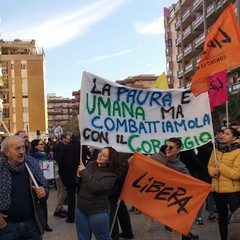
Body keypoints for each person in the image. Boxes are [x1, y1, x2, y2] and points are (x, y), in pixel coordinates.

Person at [144, 137, 198, 240]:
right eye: (166, 146)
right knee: (148, 226)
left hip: (170, 200)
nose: (167, 149)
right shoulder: (155, 158)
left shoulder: (180, 167)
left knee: (176, 226)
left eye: (171, 147)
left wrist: (207, 188)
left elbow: (192, 182)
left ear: (178, 150)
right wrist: (131, 162)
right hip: (151, 197)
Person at [0, 135, 48, 240]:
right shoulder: (1, 168)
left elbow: (44, 187)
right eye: (17, 148)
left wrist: (43, 191)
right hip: (7, 227)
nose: (22, 152)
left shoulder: (31, 165)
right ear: (6, 153)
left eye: (23, 147)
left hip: (32, 224)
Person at [75, 146, 120, 240]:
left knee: (103, 238)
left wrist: (83, 172)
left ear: (109, 161)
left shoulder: (111, 175)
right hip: (81, 208)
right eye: (100, 152)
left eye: (104, 155)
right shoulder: (91, 164)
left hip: (97, 212)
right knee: (82, 237)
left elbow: (96, 188)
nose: (100, 155)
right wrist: (78, 176)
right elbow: (81, 183)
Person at [208, 127, 240, 240]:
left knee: (236, 219)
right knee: (221, 219)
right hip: (217, 190)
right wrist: (213, 172)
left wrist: (220, 166)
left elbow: (236, 174)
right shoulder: (216, 149)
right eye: (223, 134)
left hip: (233, 191)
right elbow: (210, 166)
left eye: (227, 134)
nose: (223, 135)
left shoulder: (238, 151)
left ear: (234, 138)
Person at [30, 139, 53, 232]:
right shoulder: (31, 157)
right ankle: (39, 224)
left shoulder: (45, 155)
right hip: (35, 183)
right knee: (36, 204)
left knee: (44, 204)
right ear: (35, 146)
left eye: (43, 144)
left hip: (45, 182)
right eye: (40, 144)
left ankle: (45, 224)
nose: (43, 145)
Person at [58, 134, 81, 223]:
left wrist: (61, 174)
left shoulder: (65, 148)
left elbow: (61, 162)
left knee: (70, 197)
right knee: (80, 196)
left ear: (70, 139)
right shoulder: (81, 147)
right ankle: (81, 216)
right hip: (80, 175)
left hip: (68, 176)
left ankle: (71, 217)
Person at [52, 133, 71, 218]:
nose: (68, 140)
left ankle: (60, 207)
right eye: (67, 138)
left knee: (60, 189)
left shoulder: (56, 145)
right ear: (64, 138)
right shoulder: (63, 147)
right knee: (63, 189)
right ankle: (58, 208)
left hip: (55, 168)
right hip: (60, 169)